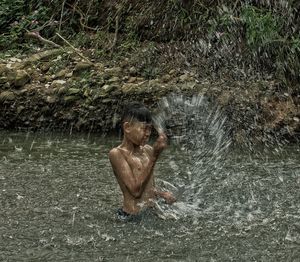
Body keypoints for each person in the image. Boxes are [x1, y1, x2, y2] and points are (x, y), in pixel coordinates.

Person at [109, 101, 176, 221]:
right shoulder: (117, 154)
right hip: (130, 218)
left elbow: (148, 188)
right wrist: (154, 157)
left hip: (150, 214)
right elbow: (135, 192)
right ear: (127, 127)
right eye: (144, 129)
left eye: (150, 129)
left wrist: (162, 194)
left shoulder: (148, 150)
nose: (148, 134)